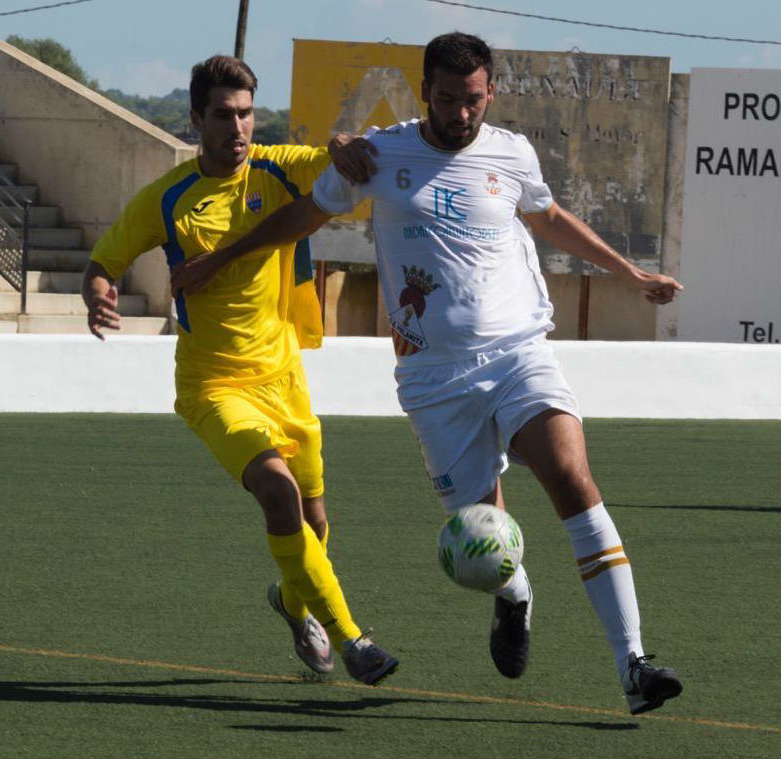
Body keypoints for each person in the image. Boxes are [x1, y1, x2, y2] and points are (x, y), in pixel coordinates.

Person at [169, 36, 684, 714]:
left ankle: (633, 664)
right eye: (446, 100)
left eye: (472, 100)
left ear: (490, 93)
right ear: (424, 92)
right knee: (481, 534)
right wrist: (218, 259)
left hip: (518, 354)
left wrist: (632, 273)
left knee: (572, 479)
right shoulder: (380, 155)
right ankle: (515, 594)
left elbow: (550, 218)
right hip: (434, 380)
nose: (460, 114)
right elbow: (306, 214)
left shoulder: (513, 153)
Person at [82, 54, 398, 686]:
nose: (239, 128)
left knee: (314, 523)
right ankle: (351, 637)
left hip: (285, 379)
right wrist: (97, 289)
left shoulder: (277, 170)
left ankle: (290, 601)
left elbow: (339, 159)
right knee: (276, 490)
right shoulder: (167, 200)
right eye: (224, 115)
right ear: (197, 119)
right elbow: (105, 259)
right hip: (212, 388)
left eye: (247, 114)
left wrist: (339, 142)